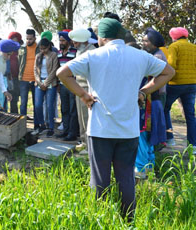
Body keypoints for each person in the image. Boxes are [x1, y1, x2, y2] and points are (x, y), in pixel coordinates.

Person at [56, 18, 175, 220]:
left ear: (102, 36)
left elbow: (62, 73)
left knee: (100, 179)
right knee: (126, 177)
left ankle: (101, 220)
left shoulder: (93, 56)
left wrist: (84, 95)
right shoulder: (139, 56)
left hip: (100, 129)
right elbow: (168, 72)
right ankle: (128, 220)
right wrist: (144, 91)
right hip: (128, 130)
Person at [164, 27, 196, 153]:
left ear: (174, 37)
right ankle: (193, 146)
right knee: (190, 115)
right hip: (191, 85)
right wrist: (195, 78)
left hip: (175, 84)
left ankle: (170, 137)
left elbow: (171, 65)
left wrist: (166, 78)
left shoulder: (174, 47)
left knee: (165, 109)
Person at [134, 27, 169, 178]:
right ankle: (149, 168)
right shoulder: (155, 55)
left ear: (154, 43)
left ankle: (141, 170)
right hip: (152, 102)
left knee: (143, 134)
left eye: (146, 41)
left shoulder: (156, 58)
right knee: (148, 137)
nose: (143, 43)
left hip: (150, 103)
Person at [68, 28, 95, 149]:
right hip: (79, 87)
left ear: (83, 41)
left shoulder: (92, 51)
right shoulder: (79, 51)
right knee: (81, 117)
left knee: (87, 117)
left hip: (87, 89)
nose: (74, 44)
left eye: (76, 42)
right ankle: (84, 141)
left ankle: (90, 145)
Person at [33, 39, 59, 137]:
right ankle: (42, 124)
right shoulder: (38, 56)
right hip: (39, 83)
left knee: (49, 106)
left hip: (50, 83)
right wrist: (40, 83)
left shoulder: (53, 55)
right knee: (38, 105)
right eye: (40, 48)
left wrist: (46, 83)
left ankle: (51, 127)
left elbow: (54, 70)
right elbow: (35, 70)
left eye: (44, 48)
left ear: (48, 47)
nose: (42, 50)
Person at [56, 31, 79, 141]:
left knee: (72, 110)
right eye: (60, 40)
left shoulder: (75, 52)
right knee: (64, 109)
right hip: (62, 85)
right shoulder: (59, 53)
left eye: (63, 40)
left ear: (68, 41)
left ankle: (72, 133)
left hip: (73, 84)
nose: (61, 42)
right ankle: (65, 131)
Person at [18, 29, 40, 119]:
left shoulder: (39, 48)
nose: (28, 41)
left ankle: (36, 123)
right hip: (23, 79)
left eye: (30, 39)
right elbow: (19, 62)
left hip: (36, 80)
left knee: (36, 103)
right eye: (27, 38)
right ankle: (22, 123)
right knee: (23, 103)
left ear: (35, 38)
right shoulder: (22, 48)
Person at [7, 32, 22, 114]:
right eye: (12, 41)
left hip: (17, 77)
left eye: (15, 41)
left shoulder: (20, 51)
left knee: (15, 97)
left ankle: (15, 114)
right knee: (8, 97)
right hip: (8, 77)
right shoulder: (6, 50)